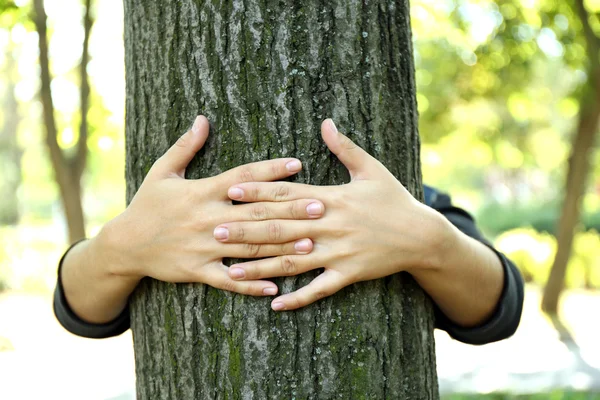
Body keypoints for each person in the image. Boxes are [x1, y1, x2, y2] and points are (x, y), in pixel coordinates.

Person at [54, 116, 524, 345]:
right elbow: (80, 310)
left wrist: (430, 242)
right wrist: (119, 248)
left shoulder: (407, 202)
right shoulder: (166, 212)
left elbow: (497, 309)